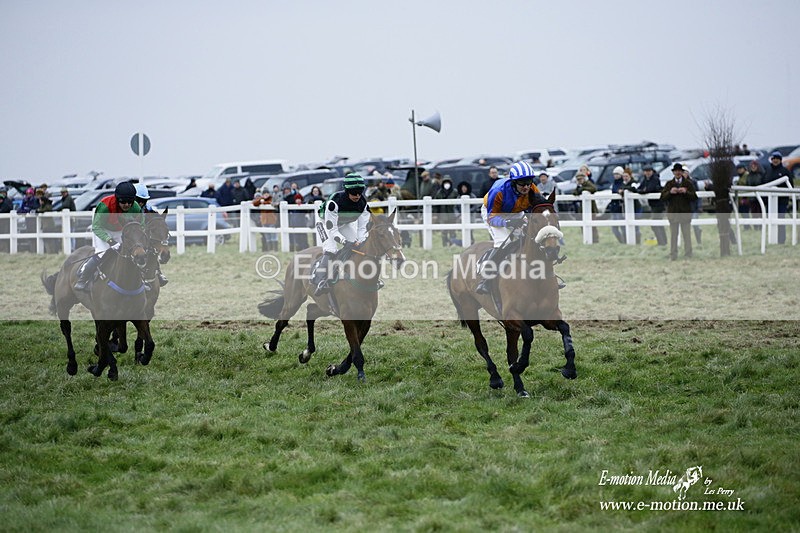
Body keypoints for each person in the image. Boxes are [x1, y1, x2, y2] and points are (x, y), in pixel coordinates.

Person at [476, 161, 543, 294]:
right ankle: (486, 280)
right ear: (513, 182)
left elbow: (538, 208)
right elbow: (492, 218)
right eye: (522, 183)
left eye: (529, 182)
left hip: (516, 210)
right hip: (494, 213)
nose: (526, 187)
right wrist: (508, 223)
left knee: (531, 238)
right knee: (504, 241)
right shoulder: (498, 191)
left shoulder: (532, 189)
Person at [74, 181, 143, 291]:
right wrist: (110, 241)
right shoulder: (105, 206)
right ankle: (83, 278)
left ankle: (145, 279)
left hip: (122, 231)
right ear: (117, 199)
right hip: (103, 230)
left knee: (133, 252)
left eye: (130, 202)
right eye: (123, 202)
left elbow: (140, 226)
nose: (127, 205)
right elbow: (96, 227)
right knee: (102, 253)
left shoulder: (135, 208)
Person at [310, 173, 370, 296]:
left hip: (344, 224)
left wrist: (360, 241)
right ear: (347, 191)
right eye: (354, 192)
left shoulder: (363, 204)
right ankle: (319, 279)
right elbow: (332, 230)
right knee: (331, 249)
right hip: (325, 224)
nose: (357, 196)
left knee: (357, 247)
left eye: (360, 192)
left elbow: (362, 228)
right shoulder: (334, 202)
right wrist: (345, 242)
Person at [661, 163, 697, 261]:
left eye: (679, 171)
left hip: (685, 213)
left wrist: (686, 192)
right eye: (675, 171)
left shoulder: (688, 183)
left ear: (682, 172)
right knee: (673, 236)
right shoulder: (669, 184)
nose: (677, 172)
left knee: (687, 235)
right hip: (673, 214)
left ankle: (688, 254)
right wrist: (670, 192)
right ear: (673, 172)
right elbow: (662, 197)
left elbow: (694, 197)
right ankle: (673, 255)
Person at [763, 151, 794, 244]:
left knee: (780, 219)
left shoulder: (785, 171)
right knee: (770, 219)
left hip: (782, 201)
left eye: (777, 159)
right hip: (769, 200)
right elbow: (764, 183)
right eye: (773, 158)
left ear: (780, 160)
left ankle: (781, 240)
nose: (775, 160)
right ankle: (772, 239)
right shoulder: (768, 171)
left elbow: (790, 186)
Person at [637, 165, 667, 245]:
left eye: (649, 171)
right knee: (658, 224)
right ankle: (663, 242)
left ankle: (662, 242)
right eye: (646, 171)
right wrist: (640, 190)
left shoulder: (655, 179)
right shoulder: (645, 179)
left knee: (655, 224)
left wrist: (642, 191)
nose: (647, 173)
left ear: (652, 171)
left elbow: (649, 189)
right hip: (653, 205)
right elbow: (640, 188)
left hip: (658, 205)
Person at [572, 172, 599, 243]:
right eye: (578, 179)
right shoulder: (579, 186)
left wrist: (582, 189)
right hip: (582, 209)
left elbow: (594, 188)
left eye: (580, 179)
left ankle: (595, 240)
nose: (579, 181)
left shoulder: (588, 183)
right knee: (583, 225)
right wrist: (578, 188)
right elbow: (574, 193)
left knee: (593, 225)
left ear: (584, 178)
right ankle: (586, 238)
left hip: (591, 208)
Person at [433, 176, 458, 246]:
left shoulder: (455, 192)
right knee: (444, 231)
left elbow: (458, 204)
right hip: (442, 215)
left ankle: (453, 243)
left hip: (452, 215)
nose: (447, 184)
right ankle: (444, 244)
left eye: (448, 182)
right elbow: (435, 205)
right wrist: (435, 215)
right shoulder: (439, 193)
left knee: (452, 230)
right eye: (445, 182)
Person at [608, 166, 626, 243]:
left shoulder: (623, 183)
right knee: (614, 228)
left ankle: (626, 241)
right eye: (614, 174)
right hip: (614, 207)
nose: (615, 176)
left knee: (622, 226)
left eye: (617, 174)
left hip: (620, 208)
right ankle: (621, 241)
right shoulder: (614, 183)